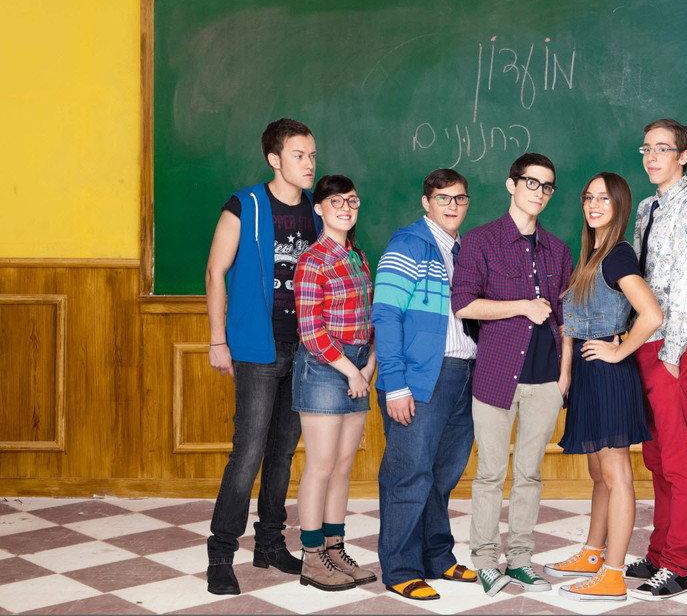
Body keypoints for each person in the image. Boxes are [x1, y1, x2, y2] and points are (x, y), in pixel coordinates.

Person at [203, 118, 322, 595]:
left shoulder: (316, 212)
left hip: (305, 348)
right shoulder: (245, 205)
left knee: (282, 451)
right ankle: (220, 552)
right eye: (299, 155)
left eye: (312, 155)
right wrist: (218, 340)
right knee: (248, 451)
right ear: (274, 159)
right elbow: (215, 271)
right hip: (258, 348)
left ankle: (270, 542)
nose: (309, 164)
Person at [452, 153, 574, 596]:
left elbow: (566, 318)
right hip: (496, 376)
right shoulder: (480, 241)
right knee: (490, 474)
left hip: (546, 379)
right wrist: (522, 306)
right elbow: (463, 305)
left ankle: (520, 559)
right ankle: (486, 561)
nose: (539, 192)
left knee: (529, 474)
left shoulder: (558, 249)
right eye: (531, 183)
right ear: (511, 184)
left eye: (547, 186)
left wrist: (564, 375)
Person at [546, 172, 663, 602]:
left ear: (619, 206)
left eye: (604, 199)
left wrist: (619, 350)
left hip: (609, 374)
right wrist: (566, 373)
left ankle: (613, 574)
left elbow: (651, 314)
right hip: (587, 373)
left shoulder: (617, 255)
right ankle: (593, 552)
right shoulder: (592, 255)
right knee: (599, 473)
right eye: (588, 197)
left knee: (616, 476)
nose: (594, 205)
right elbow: (572, 326)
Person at [371, 169, 480, 600]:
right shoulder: (408, 244)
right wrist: (396, 385)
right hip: (420, 378)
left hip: (462, 374)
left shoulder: (464, 250)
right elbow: (385, 314)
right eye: (442, 198)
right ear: (426, 202)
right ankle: (400, 568)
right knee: (408, 473)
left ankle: (437, 556)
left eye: (460, 198)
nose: (452, 206)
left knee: (443, 474)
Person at [626, 118, 687, 601]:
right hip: (642, 341)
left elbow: (685, 288)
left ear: (683, 156)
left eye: (662, 149)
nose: (652, 157)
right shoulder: (647, 208)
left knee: (679, 460)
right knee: (657, 457)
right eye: (646, 148)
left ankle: (678, 565)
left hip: (671, 347)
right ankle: (659, 552)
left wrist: (673, 352)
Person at [289, 174, 377, 591]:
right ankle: (311, 557)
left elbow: (369, 317)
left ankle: (334, 547)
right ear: (319, 209)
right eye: (336, 201)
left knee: (343, 465)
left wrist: (369, 363)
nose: (345, 208)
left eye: (352, 201)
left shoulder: (358, 256)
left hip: (358, 365)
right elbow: (311, 331)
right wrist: (352, 371)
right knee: (321, 465)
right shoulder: (312, 260)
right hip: (326, 367)